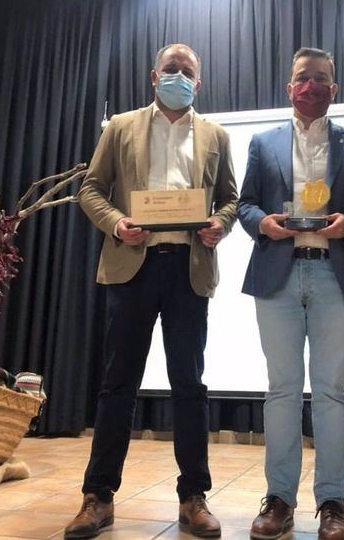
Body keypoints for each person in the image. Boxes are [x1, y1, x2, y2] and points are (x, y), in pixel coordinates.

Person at [67, 43, 238, 539]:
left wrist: (220, 224)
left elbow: (230, 198)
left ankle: (193, 497)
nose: (177, 76)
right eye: (170, 69)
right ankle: (98, 496)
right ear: (153, 75)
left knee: (189, 385)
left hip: (189, 268)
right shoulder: (121, 126)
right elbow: (90, 189)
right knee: (117, 384)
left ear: (198, 83)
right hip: (133, 267)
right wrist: (117, 223)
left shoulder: (216, 135)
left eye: (187, 71)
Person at [238, 47, 344, 540]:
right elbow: (246, 205)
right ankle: (279, 499)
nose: (311, 85)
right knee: (281, 390)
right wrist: (264, 223)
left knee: (330, 391)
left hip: (333, 275)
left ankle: (332, 503)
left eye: (321, 78)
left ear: (334, 89)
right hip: (277, 274)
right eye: (303, 77)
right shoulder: (262, 142)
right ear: (289, 86)